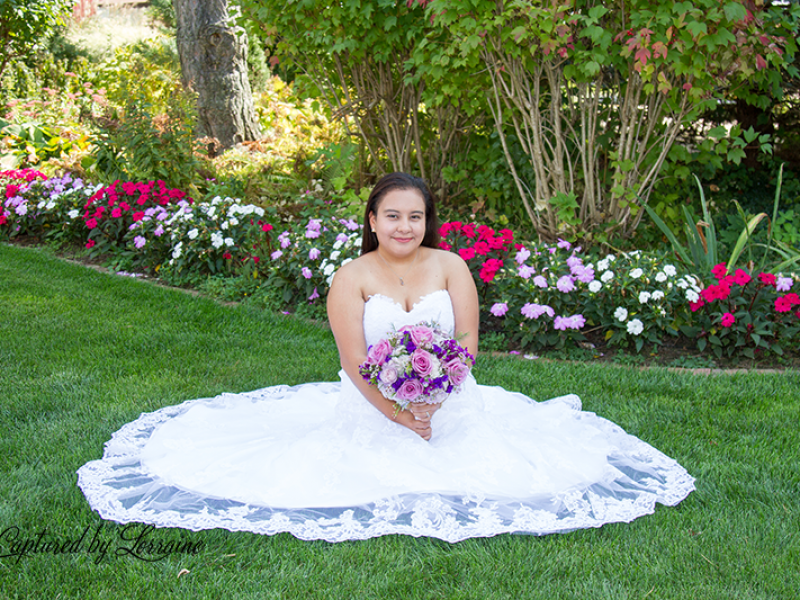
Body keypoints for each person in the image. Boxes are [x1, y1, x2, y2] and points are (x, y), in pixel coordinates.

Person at [77, 173, 694, 543]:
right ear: (372, 220)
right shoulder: (351, 277)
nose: (404, 226)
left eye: (415, 216)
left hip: (453, 403)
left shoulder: (452, 267)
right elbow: (353, 362)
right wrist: (398, 412)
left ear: (429, 222)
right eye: (392, 216)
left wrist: (436, 393)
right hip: (372, 405)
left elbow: (470, 345)